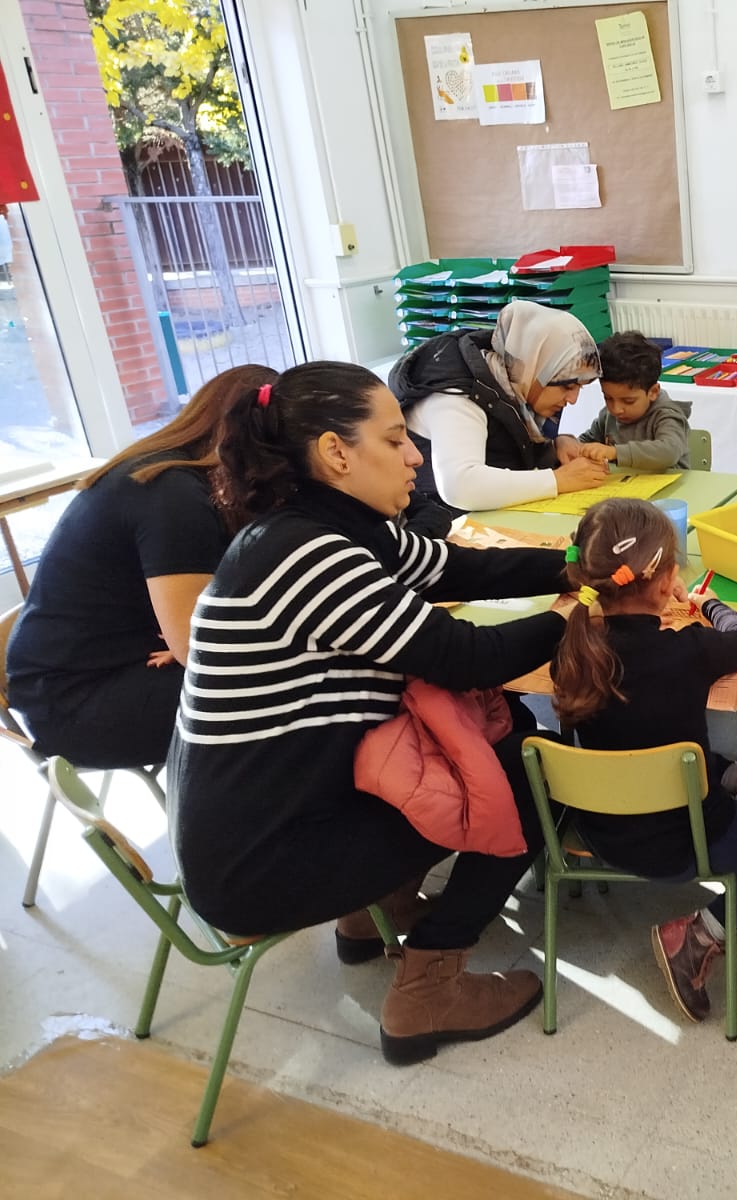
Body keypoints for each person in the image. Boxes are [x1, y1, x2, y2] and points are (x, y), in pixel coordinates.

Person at [168, 361, 580, 1066]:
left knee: (475, 738)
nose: (416, 455)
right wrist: (577, 615)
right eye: (394, 440)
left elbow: (453, 569)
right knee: (530, 773)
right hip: (258, 865)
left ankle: (368, 915)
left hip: (261, 828)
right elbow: (463, 656)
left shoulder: (334, 528)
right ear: (336, 452)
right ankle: (429, 989)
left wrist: (573, 563)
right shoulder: (307, 554)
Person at [551, 498, 737, 1023]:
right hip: (683, 841)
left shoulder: (573, 648)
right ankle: (698, 934)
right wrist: (707, 603)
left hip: (599, 830)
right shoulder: (689, 649)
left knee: (664, 751)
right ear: (664, 583)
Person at [5, 365, 274, 769]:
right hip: (74, 703)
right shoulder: (172, 493)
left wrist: (185, 640)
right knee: (286, 686)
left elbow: (202, 628)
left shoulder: (171, 473)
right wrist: (187, 642)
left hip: (100, 672)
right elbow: (200, 649)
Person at [388, 301, 609, 516]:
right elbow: (459, 485)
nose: (573, 399)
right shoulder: (458, 397)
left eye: (579, 387)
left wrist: (554, 446)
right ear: (535, 369)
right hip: (442, 521)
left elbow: (507, 447)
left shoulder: (514, 379)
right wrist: (558, 480)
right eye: (567, 386)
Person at [575, 330, 692, 470]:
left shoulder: (667, 416)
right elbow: (586, 441)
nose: (616, 409)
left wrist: (615, 452)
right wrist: (571, 446)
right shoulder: (607, 416)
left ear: (653, 392)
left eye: (628, 401)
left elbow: (669, 451)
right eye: (608, 398)